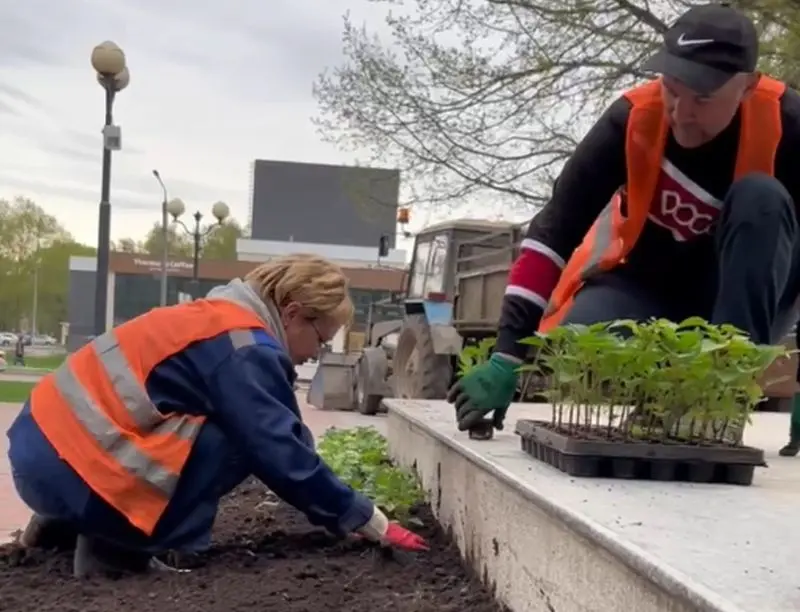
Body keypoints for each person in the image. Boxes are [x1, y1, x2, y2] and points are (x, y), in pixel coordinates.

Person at [448, 4, 800, 436]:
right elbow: (550, 237)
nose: (681, 112)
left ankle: (715, 406)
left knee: (760, 197)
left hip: (745, 299)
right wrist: (506, 355)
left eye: (703, 99)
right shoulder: (631, 120)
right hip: (647, 290)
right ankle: (660, 405)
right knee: (577, 344)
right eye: (672, 89)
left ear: (746, 86)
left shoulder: (790, 127)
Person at [7, 253, 427, 578]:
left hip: (40, 459)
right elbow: (280, 451)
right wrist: (365, 518)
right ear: (293, 313)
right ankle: (118, 551)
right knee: (234, 441)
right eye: (320, 339)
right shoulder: (245, 347)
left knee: (216, 430)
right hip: (71, 473)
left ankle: (60, 523)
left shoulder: (215, 320)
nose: (317, 353)